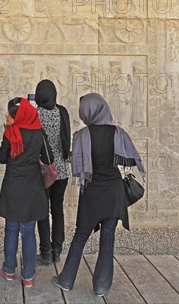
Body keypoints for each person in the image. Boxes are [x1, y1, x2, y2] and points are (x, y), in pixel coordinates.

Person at [53, 93, 146, 296]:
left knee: (80, 236)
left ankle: (66, 280)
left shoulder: (81, 136)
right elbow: (129, 161)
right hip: (113, 193)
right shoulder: (117, 133)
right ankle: (101, 285)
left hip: (91, 193)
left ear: (87, 112)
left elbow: (78, 167)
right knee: (107, 238)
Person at [0, 97, 52, 288]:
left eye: (9, 114)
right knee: (28, 232)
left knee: (11, 229)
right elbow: (49, 157)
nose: (6, 116)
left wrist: (6, 134)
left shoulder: (10, 133)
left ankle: (9, 270)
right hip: (32, 187)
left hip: (13, 187)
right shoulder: (39, 133)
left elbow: (2, 158)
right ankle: (28, 275)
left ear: (17, 116)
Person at [34, 80, 71, 265]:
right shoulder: (62, 111)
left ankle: (46, 252)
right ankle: (57, 250)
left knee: (42, 211)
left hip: (42, 170)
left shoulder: (35, 114)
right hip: (62, 170)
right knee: (58, 210)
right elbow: (66, 138)